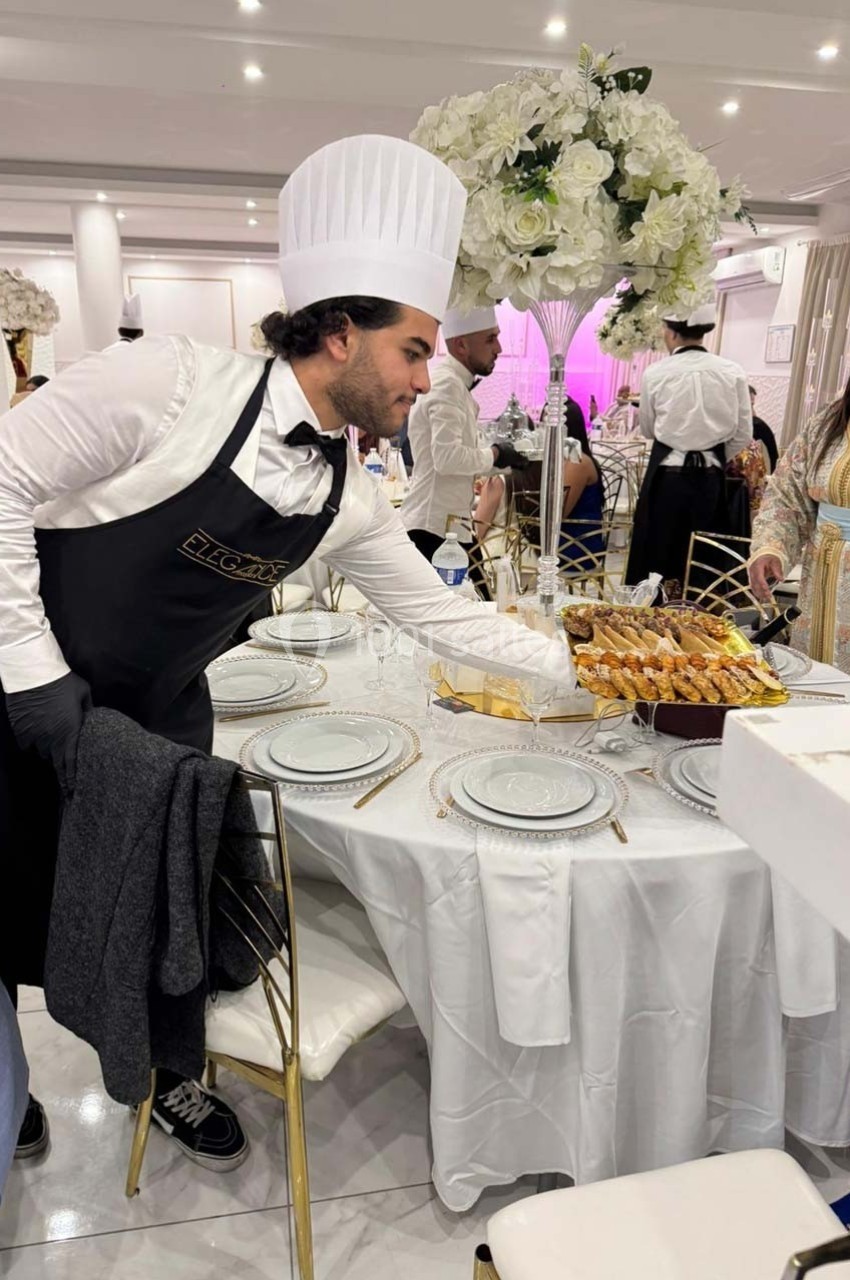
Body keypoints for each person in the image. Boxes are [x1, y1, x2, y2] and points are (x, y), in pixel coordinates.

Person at [0, 134, 573, 1174]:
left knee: (157, 908)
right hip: (17, 690)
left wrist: (585, 667)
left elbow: (443, 620)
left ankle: (170, 1073)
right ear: (341, 335)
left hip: (154, 720)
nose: (425, 376)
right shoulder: (163, 382)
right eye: (413, 350)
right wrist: (33, 676)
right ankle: (5, 1088)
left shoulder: (344, 492)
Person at [625, 304, 752, 595]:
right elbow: (743, 432)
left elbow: (647, 428)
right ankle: (700, 615)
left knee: (657, 552)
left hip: (667, 477)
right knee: (704, 557)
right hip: (710, 479)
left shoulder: (655, 373)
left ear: (671, 333)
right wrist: (712, 455)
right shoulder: (732, 371)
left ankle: (651, 616)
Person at [401, 305, 528, 594]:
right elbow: (447, 458)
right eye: (490, 339)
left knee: (477, 605)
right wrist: (496, 453)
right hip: (432, 528)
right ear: (460, 345)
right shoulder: (446, 385)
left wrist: (507, 461)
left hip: (452, 524)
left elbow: (457, 456)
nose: (499, 347)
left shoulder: (454, 384)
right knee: (465, 612)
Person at [749, 376, 850, 672]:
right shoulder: (829, 422)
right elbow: (787, 494)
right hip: (819, 578)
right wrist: (772, 547)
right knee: (815, 681)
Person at [476, 400, 604, 572]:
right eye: (541, 424)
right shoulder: (549, 461)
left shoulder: (575, 460)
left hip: (573, 543)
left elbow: (556, 513)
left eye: (546, 425)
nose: (541, 431)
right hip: (547, 535)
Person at [749, 385, 779, 473]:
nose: (753, 411)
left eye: (752, 405)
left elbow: (773, 457)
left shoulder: (758, 425)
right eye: (750, 405)